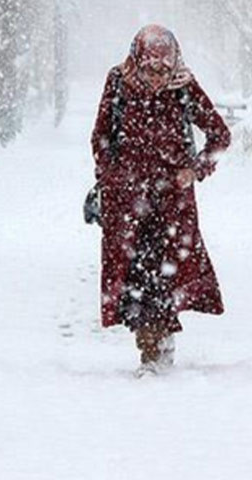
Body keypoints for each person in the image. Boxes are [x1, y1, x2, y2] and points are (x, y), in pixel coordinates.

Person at [90, 24, 231, 374]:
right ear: (137, 60)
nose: (156, 78)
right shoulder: (118, 82)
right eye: (150, 69)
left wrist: (194, 170)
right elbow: (101, 136)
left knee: (164, 275)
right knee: (134, 277)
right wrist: (111, 177)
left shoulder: (183, 87)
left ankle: (156, 349)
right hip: (127, 202)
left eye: (163, 70)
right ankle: (150, 345)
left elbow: (219, 135)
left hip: (173, 205)